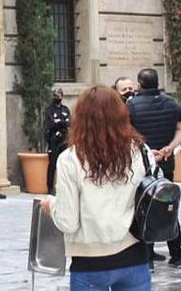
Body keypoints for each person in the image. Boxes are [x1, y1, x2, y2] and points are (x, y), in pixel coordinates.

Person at [41, 85, 152, 291]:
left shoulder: (70, 159)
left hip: (90, 261)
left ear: (81, 119)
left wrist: (52, 205)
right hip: (135, 254)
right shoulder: (141, 151)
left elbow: (68, 221)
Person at [127, 68, 181, 269]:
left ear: (139, 84)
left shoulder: (132, 105)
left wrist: (146, 151)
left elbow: (126, 133)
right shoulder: (172, 103)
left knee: (144, 208)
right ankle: (177, 255)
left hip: (144, 166)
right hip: (166, 164)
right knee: (169, 207)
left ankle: (147, 258)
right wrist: (170, 147)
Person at [44, 88, 71, 195]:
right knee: (53, 164)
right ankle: (50, 187)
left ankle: (65, 187)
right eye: (55, 96)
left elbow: (70, 123)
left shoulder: (65, 109)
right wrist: (62, 122)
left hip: (64, 140)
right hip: (53, 141)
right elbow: (50, 124)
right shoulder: (49, 110)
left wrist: (59, 122)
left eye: (59, 96)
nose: (57, 98)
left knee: (66, 164)